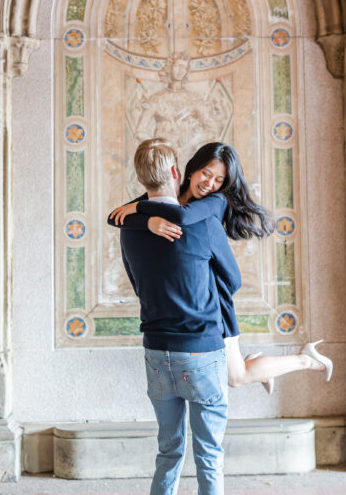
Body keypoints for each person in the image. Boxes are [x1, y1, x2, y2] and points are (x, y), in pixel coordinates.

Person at [113, 137, 241, 495]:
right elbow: (233, 279)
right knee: (209, 461)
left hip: (156, 352)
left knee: (168, 453)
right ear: (176, 173)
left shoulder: (129, 225)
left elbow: (137, 277)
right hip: (201, 351)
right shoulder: (201, 223)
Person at [110, 141, 332, 393]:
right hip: (183, 311)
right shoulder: (166, 193)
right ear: (189, 170)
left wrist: (140, 210)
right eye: (206, 173)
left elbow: (182, 218)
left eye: (219, 179)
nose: (209, 183)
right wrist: (148, 222)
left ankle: (305, 359)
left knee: (236, 378)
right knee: (237, 374)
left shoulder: (215, 201)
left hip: (209, 306)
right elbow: (116, 218)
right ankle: (267, 365)